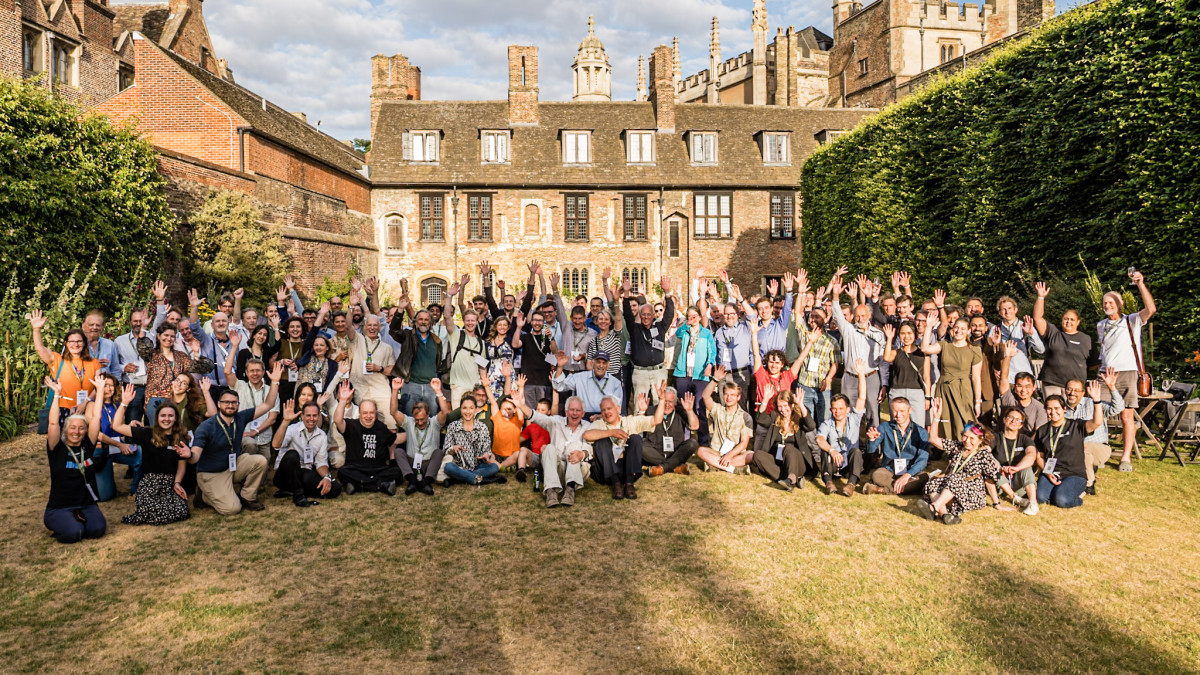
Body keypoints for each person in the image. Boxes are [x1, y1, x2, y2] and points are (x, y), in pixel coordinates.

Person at [187, 362, 283, 515]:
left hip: (231, 466)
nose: (230, 405)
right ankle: (203, 496)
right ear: (219, 404)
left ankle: (247, 497)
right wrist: (189, 454)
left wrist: (275, 381)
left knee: (260, 461)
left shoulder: (240, 418)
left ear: (238, 405)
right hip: (212, 473)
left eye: (234, 403)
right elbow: (195, 457)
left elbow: (268, 404)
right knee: (232, 509)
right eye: (226, 402)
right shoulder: (207, 427)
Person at [1096, 269, 1156, 472]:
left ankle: (1125, 458)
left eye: (1111, 302)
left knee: (1126, 416)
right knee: (1099, 414)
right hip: (1105, 374)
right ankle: (1098, 451)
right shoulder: (1100, 325)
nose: (1108, 305)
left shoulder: (1131, 321)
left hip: (1128, 372)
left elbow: (1151, 308)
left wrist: (1140, 284)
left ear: (1120, 304)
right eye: (1105, 302)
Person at [110, 384, 191, 525]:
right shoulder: (147, 433)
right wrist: (124, 403)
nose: (167, 419)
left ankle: (152, 514)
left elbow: (181, 465)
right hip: (149, 483)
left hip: (169, 484)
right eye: (163, 416)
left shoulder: (181, 437)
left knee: (182, 511)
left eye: (170, 416)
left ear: (175, 418)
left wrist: (177, 483)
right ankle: (149, 513)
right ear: (157, 418)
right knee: (153, 509)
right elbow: (116, 426)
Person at [42, 374, 107, 543]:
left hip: (86, 504)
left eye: (81, 428)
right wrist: (57, 394)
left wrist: (99, 391)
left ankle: (78, 519)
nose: (76, 431)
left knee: (97, 530)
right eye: (72, 427)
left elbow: (96, 418)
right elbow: (53, 424)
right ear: (66, 429)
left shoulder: (88, 445)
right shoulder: (57, 448)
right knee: (74, 534)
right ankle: (64, 523)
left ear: (85, 431)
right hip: (59, 508)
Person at [920, 405, 1003, 524]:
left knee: (955, 478)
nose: (967, 441)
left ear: (980, 440)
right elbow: (933, 439)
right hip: (951, 484)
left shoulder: (984, 455)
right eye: (965, 436)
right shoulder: (958, 447)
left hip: (972, 491)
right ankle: (945, 515)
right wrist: (936, 418)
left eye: (971, 438)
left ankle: (934, 507)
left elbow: (989, 480)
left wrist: (997, 504)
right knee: (933, 484)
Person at [582, 387, 666, 500]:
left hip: (626, 469)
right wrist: (611, 432)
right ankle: (616, 484)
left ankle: (629, 484)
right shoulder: (599, 423)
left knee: (635, 438)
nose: (606, 412)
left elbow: (656, 420)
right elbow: (587, 435)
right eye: (603, 410)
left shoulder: (629, 421)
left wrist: (661, 400)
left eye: (609, 408)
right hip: (606, 472)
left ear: (618, 408)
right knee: (601, 441)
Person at [829, 271, 887, 427]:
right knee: (847, 414)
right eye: (858, 316)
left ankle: (873, 448)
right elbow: (837, 315)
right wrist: (835, 297)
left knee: (873, 413)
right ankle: (851, 446)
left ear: (869, 315)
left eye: (863, 315)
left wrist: (884, 384)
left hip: (871, 377)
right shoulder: (849, 330)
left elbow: (883, 362)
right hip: (850, 378)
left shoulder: (878, 334)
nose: (860, 318)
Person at [1036, 386, 1108, 509]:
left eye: (1057, 408)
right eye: (1049, 409)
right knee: (1040, 498)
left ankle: (1078, 498)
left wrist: (1096, 401)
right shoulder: (1042, 430)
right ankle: (1059, 491)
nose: (1053, 412)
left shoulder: (1076, 426)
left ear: (1064, 409)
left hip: (1074, 474)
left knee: (1062, 500)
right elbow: (1039, 456)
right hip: (1051, 471)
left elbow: (1096, 422)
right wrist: (1047, 473)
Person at [516, 395, 591, 508]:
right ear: (566, 411)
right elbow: (537, 417)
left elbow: (590, 447)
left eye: (578, 410)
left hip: (578, 470)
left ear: (583, 413)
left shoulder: (588, 426)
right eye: (571, 410)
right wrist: (521, 405)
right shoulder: (556, 422)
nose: (574, 413)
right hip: (558, 470)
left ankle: (570, 489)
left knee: (575, 446)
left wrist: (582, 454)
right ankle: (551, 491)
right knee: (549, 448)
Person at [137, 322, 215, 424]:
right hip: (156, 399)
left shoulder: (180, 356)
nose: (169, 339)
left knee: (174, 430)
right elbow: (142, 346)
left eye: (172, 336)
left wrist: (196, 353)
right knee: (158, 431)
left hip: (176, 399)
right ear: (159, 336)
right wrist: (143, 329)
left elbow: (206, 367)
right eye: (166, 335)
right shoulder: (152, 355)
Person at [333, 382, 402, 495]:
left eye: (371, 413)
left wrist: (414, 432)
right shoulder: (351, 426)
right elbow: (337, 421)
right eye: (365, 413)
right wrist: (342, 400)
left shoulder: (380, 427)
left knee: (397, 473)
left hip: (378, 469)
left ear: (375, 413)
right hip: (356, 469)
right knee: (342, 473)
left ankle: (358, 485)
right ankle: (381, 485)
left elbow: (395, 439)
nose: (368, 416)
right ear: (359, 413)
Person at [29, 310, 101, 418]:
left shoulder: (93, 363)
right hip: (63, 409)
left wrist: (85, 402)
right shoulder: (57, 360)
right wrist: (36, 329)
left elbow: (98, 387)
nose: (75, 344)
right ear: (66, 343)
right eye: (71, 341)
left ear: (84, 343)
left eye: (79, 341)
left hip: (87, 408)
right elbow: (40, 349)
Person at [1062, 370, 1124, 496]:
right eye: (1069, 389)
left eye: (1076, 390)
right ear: (1065, 391)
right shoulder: (1062, 410)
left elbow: (1118, 408)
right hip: (1072, 451)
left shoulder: (1093, 403)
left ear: (1083, 393)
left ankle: (1088, 483)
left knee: (1083, 448)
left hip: (1099, 447)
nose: (1072, 393)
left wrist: (1111, 387)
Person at [270, 400, 342, 507]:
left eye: (314, 416)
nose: (311, 419)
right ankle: (298, 495)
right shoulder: (292, 429)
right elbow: (276, 444)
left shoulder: (322, 435)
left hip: (303, 473)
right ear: (302, 416)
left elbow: (321, 462)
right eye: (308, 415)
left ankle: (292, 490)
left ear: (318, 416)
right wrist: (285, 421)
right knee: (292, 455)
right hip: (284, 474)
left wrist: (326, 477)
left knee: (335, 488)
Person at [922, 312, 983, 439]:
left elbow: (976, 378)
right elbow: (925, 348)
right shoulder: (945, 345)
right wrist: (928, 327)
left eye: (962, 329)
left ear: (968, 331)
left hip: (963, 389)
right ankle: (948, 452)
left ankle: (967, 449)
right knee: (945, 420)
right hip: (944, 388)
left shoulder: (974, 349)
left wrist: (977, 402)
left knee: (965, 421)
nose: (958, 331)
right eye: (956, 327)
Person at [223, 332, 280, 466]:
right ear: (246, 373)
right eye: (252, 371)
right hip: (244, 437)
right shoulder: (239, 386)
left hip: (264, 437)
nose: (255, 374)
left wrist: (256, 431)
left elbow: (272, 418)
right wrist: (234, 347)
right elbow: (227, 371)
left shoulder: (270, 390)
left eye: (258, 371)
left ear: (264, 372)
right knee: (250, 449)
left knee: (263, 468)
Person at [388, 376, 451, 495]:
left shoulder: (434, 422)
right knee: (398, 452)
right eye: (417, 420)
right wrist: (395, 390)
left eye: (422, 419)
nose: (420, 422)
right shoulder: (409, 422)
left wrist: (438, 392)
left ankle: (426, 482)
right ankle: (412, 481)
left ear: (428, 415)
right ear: (413, 416)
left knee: (438, 452)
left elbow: (444, 411)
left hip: (429, 464)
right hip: (413, 462)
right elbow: (393, 412)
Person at [816, 360, 869, 497]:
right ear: (830, 409)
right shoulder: (827, 423)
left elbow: (861, 397)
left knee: (856, 451)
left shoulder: (854, 418)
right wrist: (832, 451)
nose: (837, 412)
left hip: (849, 465)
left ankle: (851, 484)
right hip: (833, 464)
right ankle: (829, 483)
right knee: (825, 451)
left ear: (847, 409)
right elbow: (819, 439)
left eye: (841, 408)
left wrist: (861, 374)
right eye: (834, 409)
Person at [1032, 281, 1094, 397]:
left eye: (1072, 320)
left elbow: (1094, 362)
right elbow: (1037, 318)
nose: (1068, 322)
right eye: (1066, 319)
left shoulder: (1086, 339)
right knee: (1053, 412)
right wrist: (1040, 297)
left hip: (1075, 387)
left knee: (1073, 414)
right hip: (1052, 383)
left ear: (1078, 322)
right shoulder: (1053, 333)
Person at [622, 275, 674, 412]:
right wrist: (626, 295)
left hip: (658, 371)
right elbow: (627, 314)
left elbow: (669, 315)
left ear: (653, 316)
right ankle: (639, 434)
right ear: (640, 315)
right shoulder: (635, 329)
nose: (645, 317)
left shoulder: (659, 328)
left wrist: (667, 293)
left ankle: (658, 433)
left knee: (660, 405)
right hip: (641, 373)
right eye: (643, 314)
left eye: (648, 314)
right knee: (639, 407)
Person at [90, 373, 143, 501]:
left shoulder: (117, 405)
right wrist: (119, 445)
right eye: (105, 385)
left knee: (140, 453)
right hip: (100, 451)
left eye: (111, 386)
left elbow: (117, 426)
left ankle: (135, 490)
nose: (108, 389)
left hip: (116, 448)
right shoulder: (91, 405)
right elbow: (97, 434)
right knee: (105, 496)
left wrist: (129, 425)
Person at [863, 396, 930, 496]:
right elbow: (870, 450)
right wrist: (872, 440)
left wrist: (907, 475)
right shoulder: (885, 427)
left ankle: (881, 490)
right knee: (876, 475)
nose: (898, 415)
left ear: (910, 410)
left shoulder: (921, 432)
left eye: (902, 411)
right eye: (895, 411)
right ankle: (909, 489)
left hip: (911, 472)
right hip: (889, 471)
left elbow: (923, 460)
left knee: (924, 478)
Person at [752, 390, 816, 492]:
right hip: (779, 461)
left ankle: (791, 478)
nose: (783, 409)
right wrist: (765, 399)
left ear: (791, 405)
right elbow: (760, 419)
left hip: (797, 461)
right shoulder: (775, 417)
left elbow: (811, 426)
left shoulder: (799, 419)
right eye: (780, 406)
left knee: (789, 448)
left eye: (785, 405)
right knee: (757, 455)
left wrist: (800, 404)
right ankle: (791, 479)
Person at [391, 308, 449, 416]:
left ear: (430, 322)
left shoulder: (436, 341)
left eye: (426, 320)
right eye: (420, 319)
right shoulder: (408, 336)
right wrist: (400, 310)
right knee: (409, 420)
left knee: (431, 421)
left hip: (431, 387)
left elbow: (439, 362)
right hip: (411, 385)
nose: (423, 322)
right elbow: (393, 330)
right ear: (415, 322)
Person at [695, 371, 754, 474]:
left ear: (738, 397)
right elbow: (705, 396)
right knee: (701, 451)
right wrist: (715, 380)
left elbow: (744, 443)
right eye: (726, 394)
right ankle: (732, 468)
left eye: (732, 395)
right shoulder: (717, 409)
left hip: (735, 454)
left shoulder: (746, 417)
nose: (729, 398)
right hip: (717, 452)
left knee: (751, 455)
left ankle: (715, 465)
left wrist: (729, 455)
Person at [672, 306, 716, 441]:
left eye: (694, 316)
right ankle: (684, 439)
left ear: (699, 316)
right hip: (683, 374)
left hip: (700, 375)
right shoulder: (684, 331)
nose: (692, 318)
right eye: (689, 316)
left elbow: (712, 352)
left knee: (699, 406)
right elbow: (677, 333)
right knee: (684, 406)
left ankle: (703, 440)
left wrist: (709, 364)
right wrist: (686, 324)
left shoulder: (706, 333)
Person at [347, 314, 397, 429]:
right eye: (369, 325)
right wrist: (352, 308)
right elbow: (348, 326)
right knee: (363, 427)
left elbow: (392, 370)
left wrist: (379, 368)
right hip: (361, 391)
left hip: (381, 392)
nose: (372, 328)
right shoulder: (357, 340)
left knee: (390, 426)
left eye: (375, 325)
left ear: (379, 327)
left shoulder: (387, 347)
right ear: (364, 326)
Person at [881, 322, 932, 430]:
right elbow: (886, 357)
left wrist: (927, 397)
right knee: (897, 425)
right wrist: (889, 338)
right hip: (897, 391)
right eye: (903, 334)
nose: (906, 337)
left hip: (916, 392)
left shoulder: (923, 353)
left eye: (909, 333)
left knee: (917, 426)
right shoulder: (897, 353)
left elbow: (926, 376)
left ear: (915, 334)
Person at [989, 406, 1040, 515]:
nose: (1013, 421)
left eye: (1018, 420)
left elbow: (1031, 455)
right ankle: (1014, 497)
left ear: (1021, 425)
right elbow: (984, 452)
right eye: (1010, 417)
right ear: (1004, 419)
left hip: (1018, 481)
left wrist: (1016, 468)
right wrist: (999, 467)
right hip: (1000, 481)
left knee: (1026, 466)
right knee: (988, 460)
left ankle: (1033, 503)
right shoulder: (995, 437)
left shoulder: (1025, 439)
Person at [442, 394, 501, 486]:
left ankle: (459, 479)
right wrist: (453, 448)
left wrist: (486, 455)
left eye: (471, 408)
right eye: (464, 408)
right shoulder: (453, 426)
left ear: (475, 409)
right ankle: (478, 479)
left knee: (494, 467)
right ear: (460, 409)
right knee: (448, 467)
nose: (468, 411)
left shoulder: (482, 427)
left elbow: (487, 450)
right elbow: (445, 449)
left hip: (477, 466)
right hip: (459, 466)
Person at [794, 308, 839, 428]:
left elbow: (835, 363)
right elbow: (797, 314)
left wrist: (828, 378)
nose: (813, 319)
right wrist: (800, 292)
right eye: (812, 316)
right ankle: (808, 446)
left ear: (825, 320)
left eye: (817, 316)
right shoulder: (804, 333)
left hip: (822, 387)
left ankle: (823, 445)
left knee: (824, 420)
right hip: (805, 385)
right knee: (806, 420)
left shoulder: (832, 341)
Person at [642, 387, 700, 477]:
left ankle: (662, 468)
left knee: (692, 443)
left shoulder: (680, 411)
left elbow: (695, 426)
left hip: (675, 452)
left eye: (670, 402)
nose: (667, 404)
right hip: (655, 452)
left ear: (675, 402)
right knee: (640, 446)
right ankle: (675, 467)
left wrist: (689, 410)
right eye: (665, 401)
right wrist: (642, 412)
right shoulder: (651, 410)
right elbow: (639, 427)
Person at [996, 341, 1049, 435]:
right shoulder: (1009, 399)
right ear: (1015, 387)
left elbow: (1038, 432)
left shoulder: (1039, 408)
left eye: (1027, 386)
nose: (1023, 390)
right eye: (1020, 386)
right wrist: (1008, 357)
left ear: (1034, 387)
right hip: (1004, 439)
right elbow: (1003, 378)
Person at [550, 351, 624, 416]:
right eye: (598, 362)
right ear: (592, 363)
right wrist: (560, 367)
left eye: (604, 363)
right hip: (584, 417)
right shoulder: (580, 377)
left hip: (605, 417)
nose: (601, 365)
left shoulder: (615, 383)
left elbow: (617, 408)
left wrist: (600, 417)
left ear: (608, 365)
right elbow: (559, 386)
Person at [511, 311, 558, 409]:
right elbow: (515, 344)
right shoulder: (525, 337)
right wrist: (519, 327)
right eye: (535, 320)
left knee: (543, 413)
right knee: (529, 412)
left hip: (544, 381)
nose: (537, 323)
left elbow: (555, 352)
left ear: (543, 323)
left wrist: (551, 337)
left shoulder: (547, 338)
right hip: (528, 381)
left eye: (540, 321)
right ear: (531, 322)